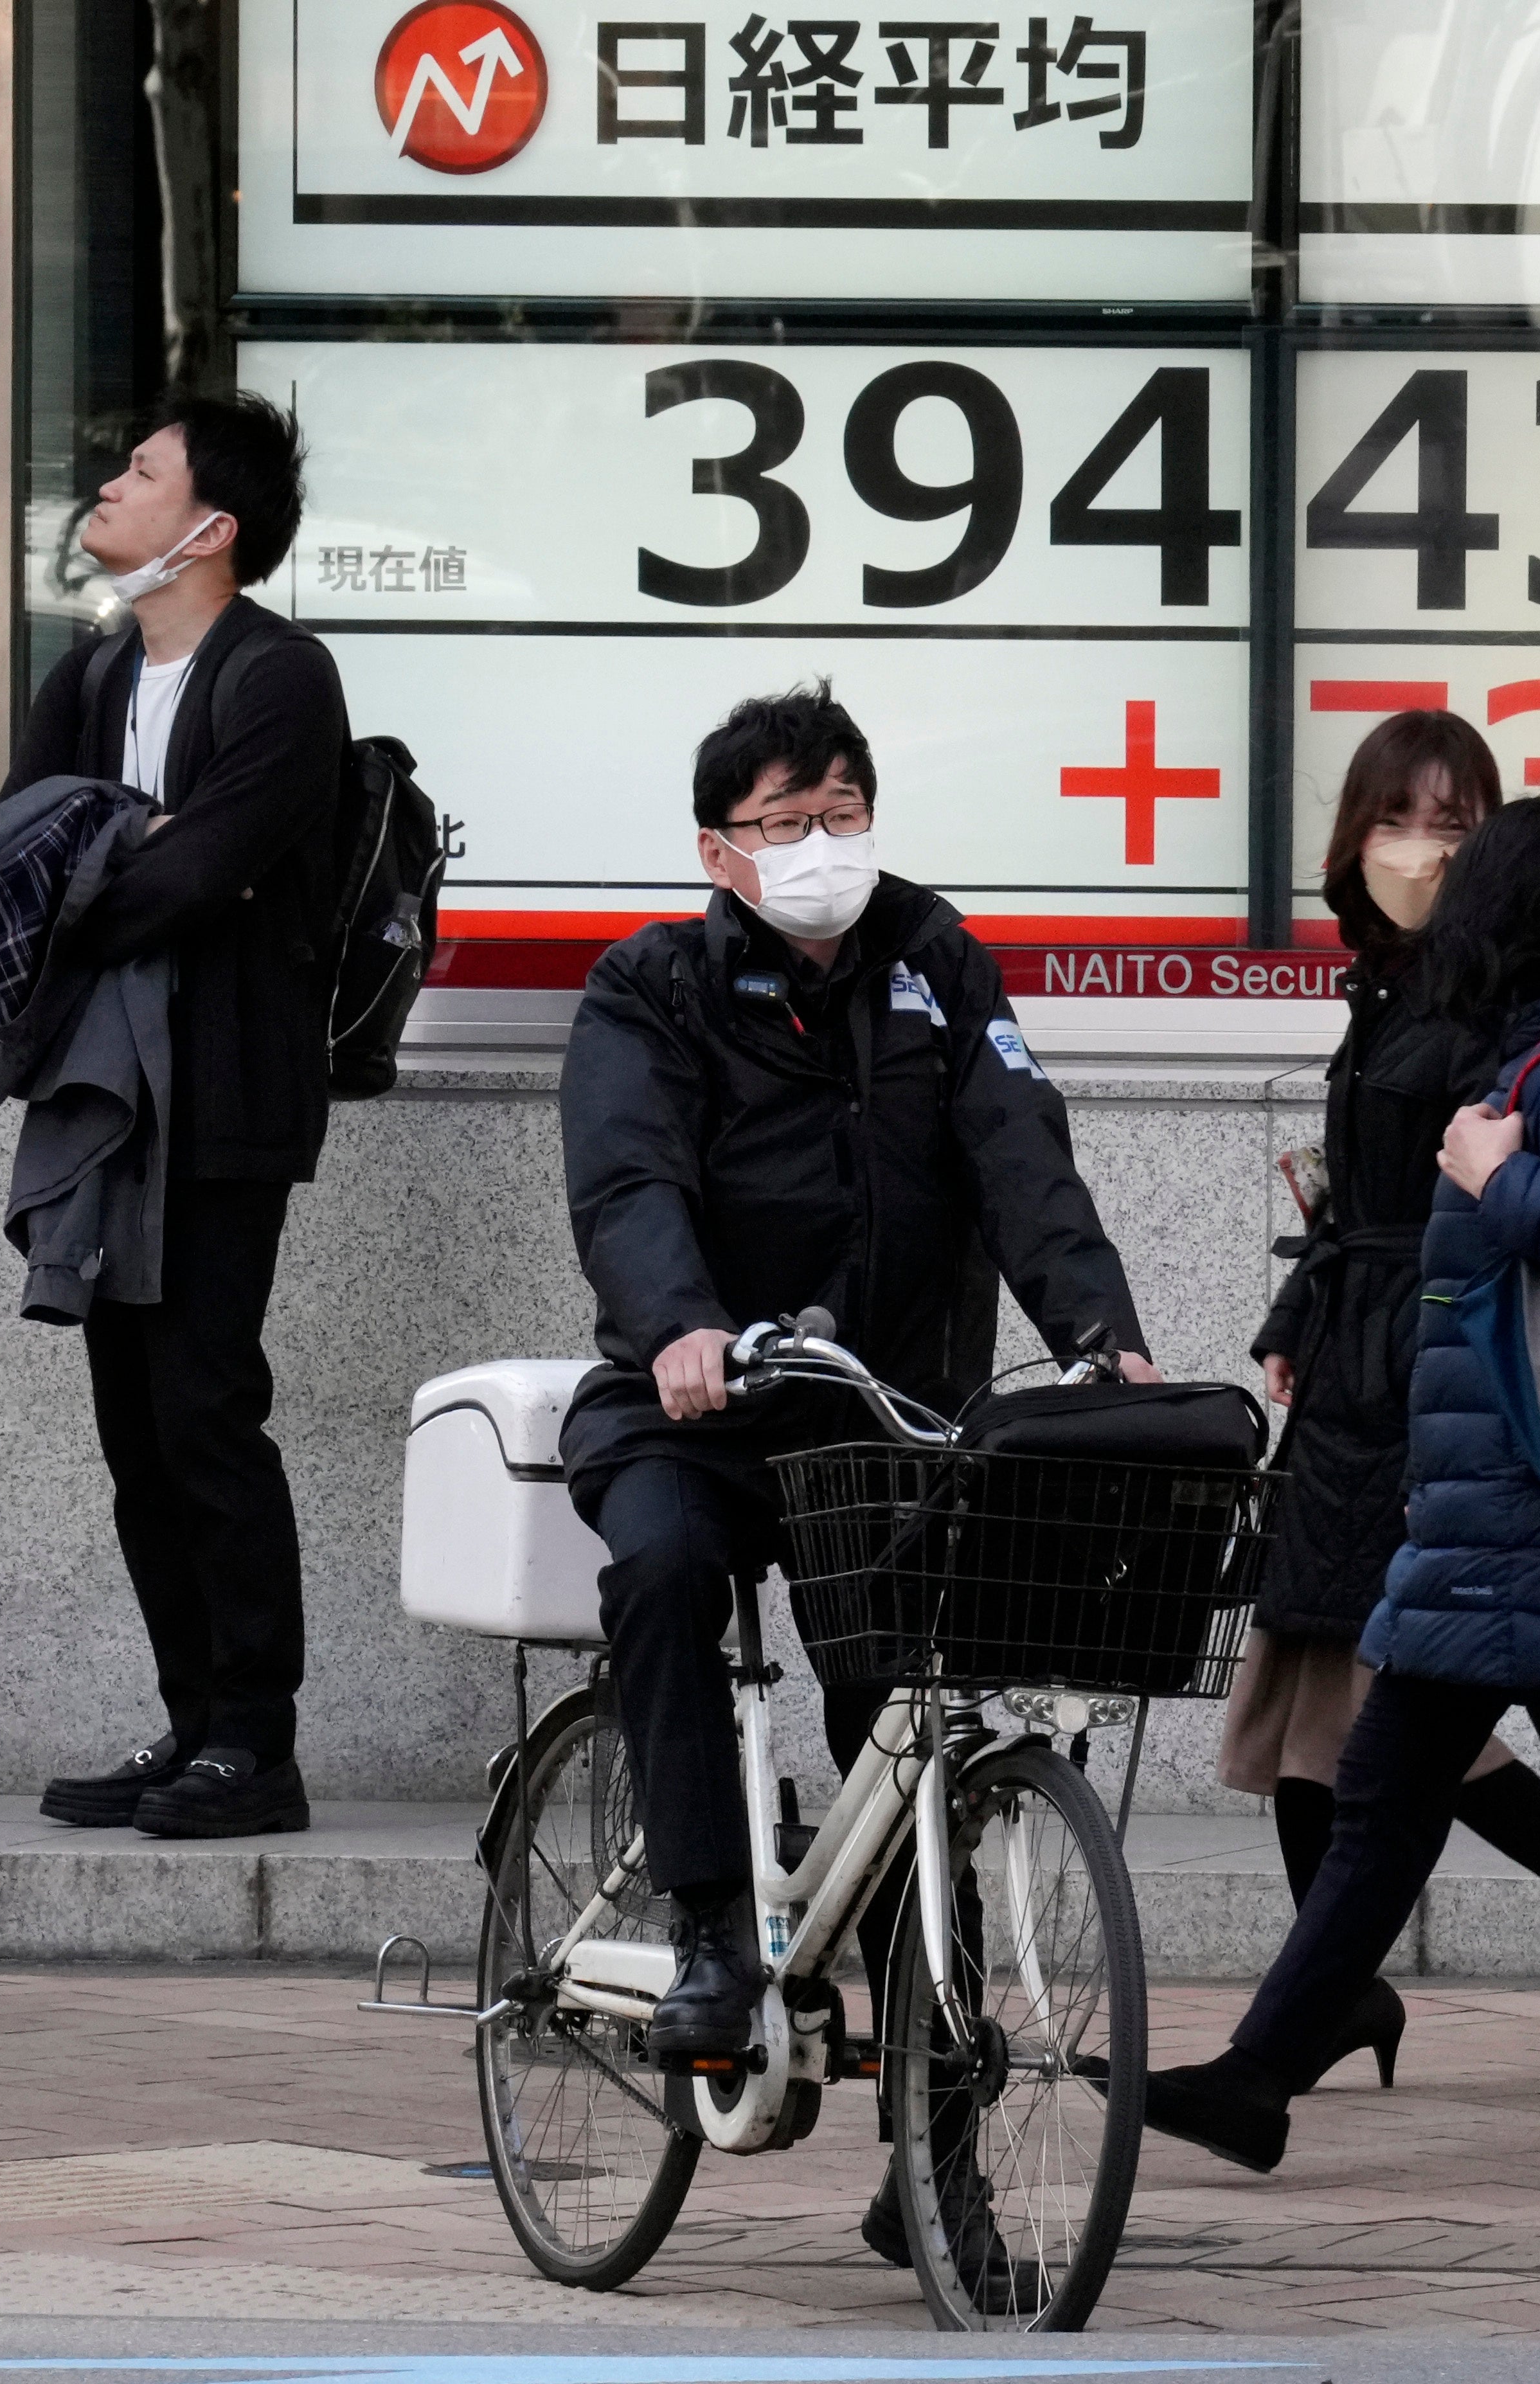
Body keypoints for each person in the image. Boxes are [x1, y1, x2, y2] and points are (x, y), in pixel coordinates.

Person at [556, 682, 1157, 2299]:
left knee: (915, 1733)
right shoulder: (649, 987)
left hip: (883, 1420)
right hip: (695, 1399)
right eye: (782, 821)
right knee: (668, 1570)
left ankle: (935, 2155)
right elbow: (626, 1174)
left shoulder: (933, 959)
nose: (820, 845)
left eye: (842, 811)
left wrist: (1099, 1335)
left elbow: (1021, 1150)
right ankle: (703, 1924)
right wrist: (679, 1322)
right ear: (716, 847)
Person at [1143, 797, 1540, 2192]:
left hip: (1527, 1515)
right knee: (1402, 1797)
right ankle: (1261, 2077)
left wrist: (1503, 1176)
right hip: (1508, 1508)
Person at [1231, 712, 1540, 2092]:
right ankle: (1345, 1987)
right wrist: (1293, 1321)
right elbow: (1352, 1203)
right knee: (1315, 1700)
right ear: (1351, 840)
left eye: (1453, 822)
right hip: (1352, 1372)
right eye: (1397, 819)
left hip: (1426, 1380)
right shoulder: (1375, 993)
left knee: (1404, 1710)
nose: (1421, 850)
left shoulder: (1485, 1007)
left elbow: (1492, 1204)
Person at [25, 393, 350, 1842]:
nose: (109, 485)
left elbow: (199, 870)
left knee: (206, 1410)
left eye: (141, 472)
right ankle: (190, 1721)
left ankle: (255, 1744)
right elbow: (14, 866)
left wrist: (129, 852)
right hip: (103, 1097)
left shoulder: (279, 679)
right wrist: (125, 848)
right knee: (131, 1430)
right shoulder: (91, 679)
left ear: (209, 531)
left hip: (223, 1100)